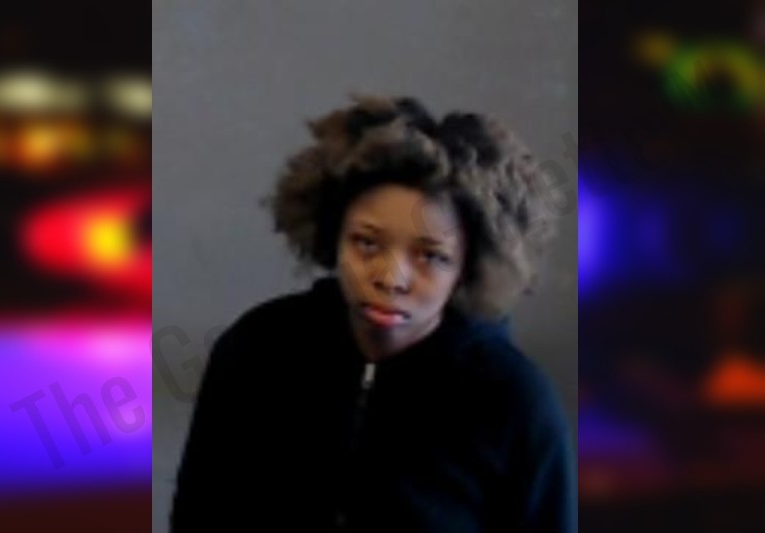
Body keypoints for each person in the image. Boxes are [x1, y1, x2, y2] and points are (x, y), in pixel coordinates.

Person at [170, 94, 576, 532]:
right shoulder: (255, 349)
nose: (390, 278)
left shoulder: (517, 404)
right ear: (333, 236)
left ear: (467, 268)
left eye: (430, 256)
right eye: (366, 243)